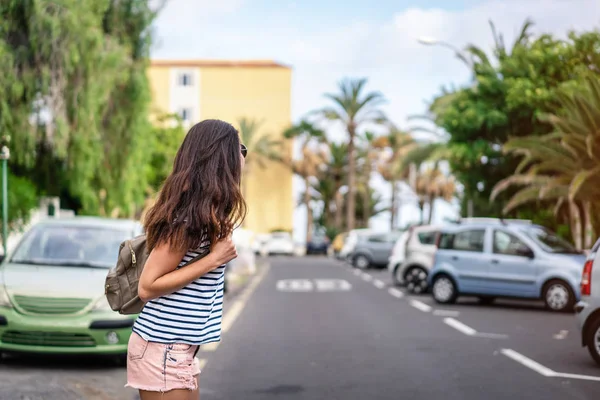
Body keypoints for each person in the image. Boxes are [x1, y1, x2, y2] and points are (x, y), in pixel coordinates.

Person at [126, 119, 247, 399]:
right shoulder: (186, 220)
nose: (242, 155)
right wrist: (213, 259)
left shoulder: (207, 216)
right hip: (163, 349)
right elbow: (147, 285)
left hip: (179, 350)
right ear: (219, 157)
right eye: (238, 148)